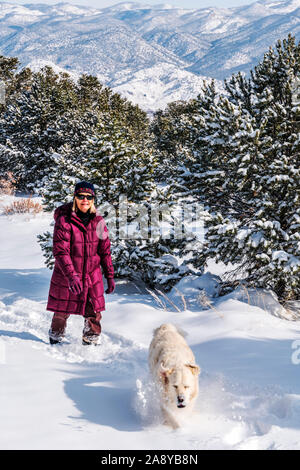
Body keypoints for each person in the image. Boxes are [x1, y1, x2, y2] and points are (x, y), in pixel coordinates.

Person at [46, 181, 115, 346]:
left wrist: (110, 275)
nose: (85, 200)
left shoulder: (98, 222)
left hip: (92, 274)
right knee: (62, 309)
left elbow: (105, 251)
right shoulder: (64, 221)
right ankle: (56, 338)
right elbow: (61, 251)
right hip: (67, 274)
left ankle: (90, 340)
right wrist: (71, 276)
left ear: (93, 199)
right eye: (81, 196)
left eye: (89, 196)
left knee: (94, 311)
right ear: (75, 197)